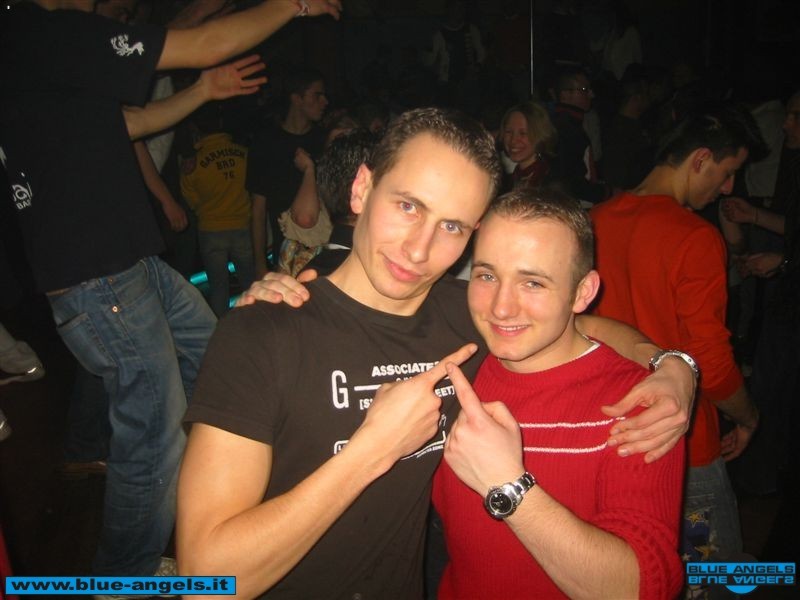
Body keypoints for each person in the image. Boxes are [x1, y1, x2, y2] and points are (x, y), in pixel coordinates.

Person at [178, 107, 695, 598]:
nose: (419, 249)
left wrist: (672, 365)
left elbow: (571, 323)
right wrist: (370, 451)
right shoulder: (262, 333)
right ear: (362, 188)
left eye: (452, 227)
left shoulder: (470, 316)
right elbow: (207, 580)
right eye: (408, 206)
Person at [0, 0, 341, 583]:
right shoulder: (41, 31)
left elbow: (126, 124)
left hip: (127, 266)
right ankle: (124, 577)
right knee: (154, 432)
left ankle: (210, 494)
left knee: (216, 353)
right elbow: (201, 42)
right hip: (100, 274)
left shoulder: (34, 51)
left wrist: (203, 91)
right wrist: (293, 4)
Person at [434, 189, 684, 599]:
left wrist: (507, 485)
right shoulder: (458, 364)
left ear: (583, 292)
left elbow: (638, 588)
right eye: (487, 276)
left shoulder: (636, 404)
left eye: (532, 282)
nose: (500, 308)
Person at [591, 106, 764, 570]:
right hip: (683, 443)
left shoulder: (594, 221)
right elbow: (711, 360)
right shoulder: (696, 238)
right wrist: (748, 417)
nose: (727, 187)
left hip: (611, 433)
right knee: (713, 574)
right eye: (727, 173)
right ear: (701, 159)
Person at [247, 65, 330, 277]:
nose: (325, 102)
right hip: (285, 256)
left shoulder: (324, 141)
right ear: (297, 98)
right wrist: (259, 264)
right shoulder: (266, 143)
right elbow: (258, 209)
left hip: (324, 252)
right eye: (317, 95)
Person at [181, 103, 256, 316]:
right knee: (250, 283)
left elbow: (191, 199)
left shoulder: (192, 163)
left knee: (218, 287)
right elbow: (253, 188)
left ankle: (222, 329)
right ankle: (258, 322)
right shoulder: (243, 153)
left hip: (210, 229)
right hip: (242, 226)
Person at [549, 66, 611, 204]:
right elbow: (573, 183)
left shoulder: (569, 123)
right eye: (584, 90)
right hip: (574, 206)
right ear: (565, 95)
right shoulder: (567, 129)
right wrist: (607, 193)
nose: (591, 95)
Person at [500, 101, 558, 192]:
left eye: (523, 133)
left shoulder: (551, 183)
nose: (513, 140)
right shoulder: (506, 180)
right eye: (509, 132)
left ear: (539, 135)